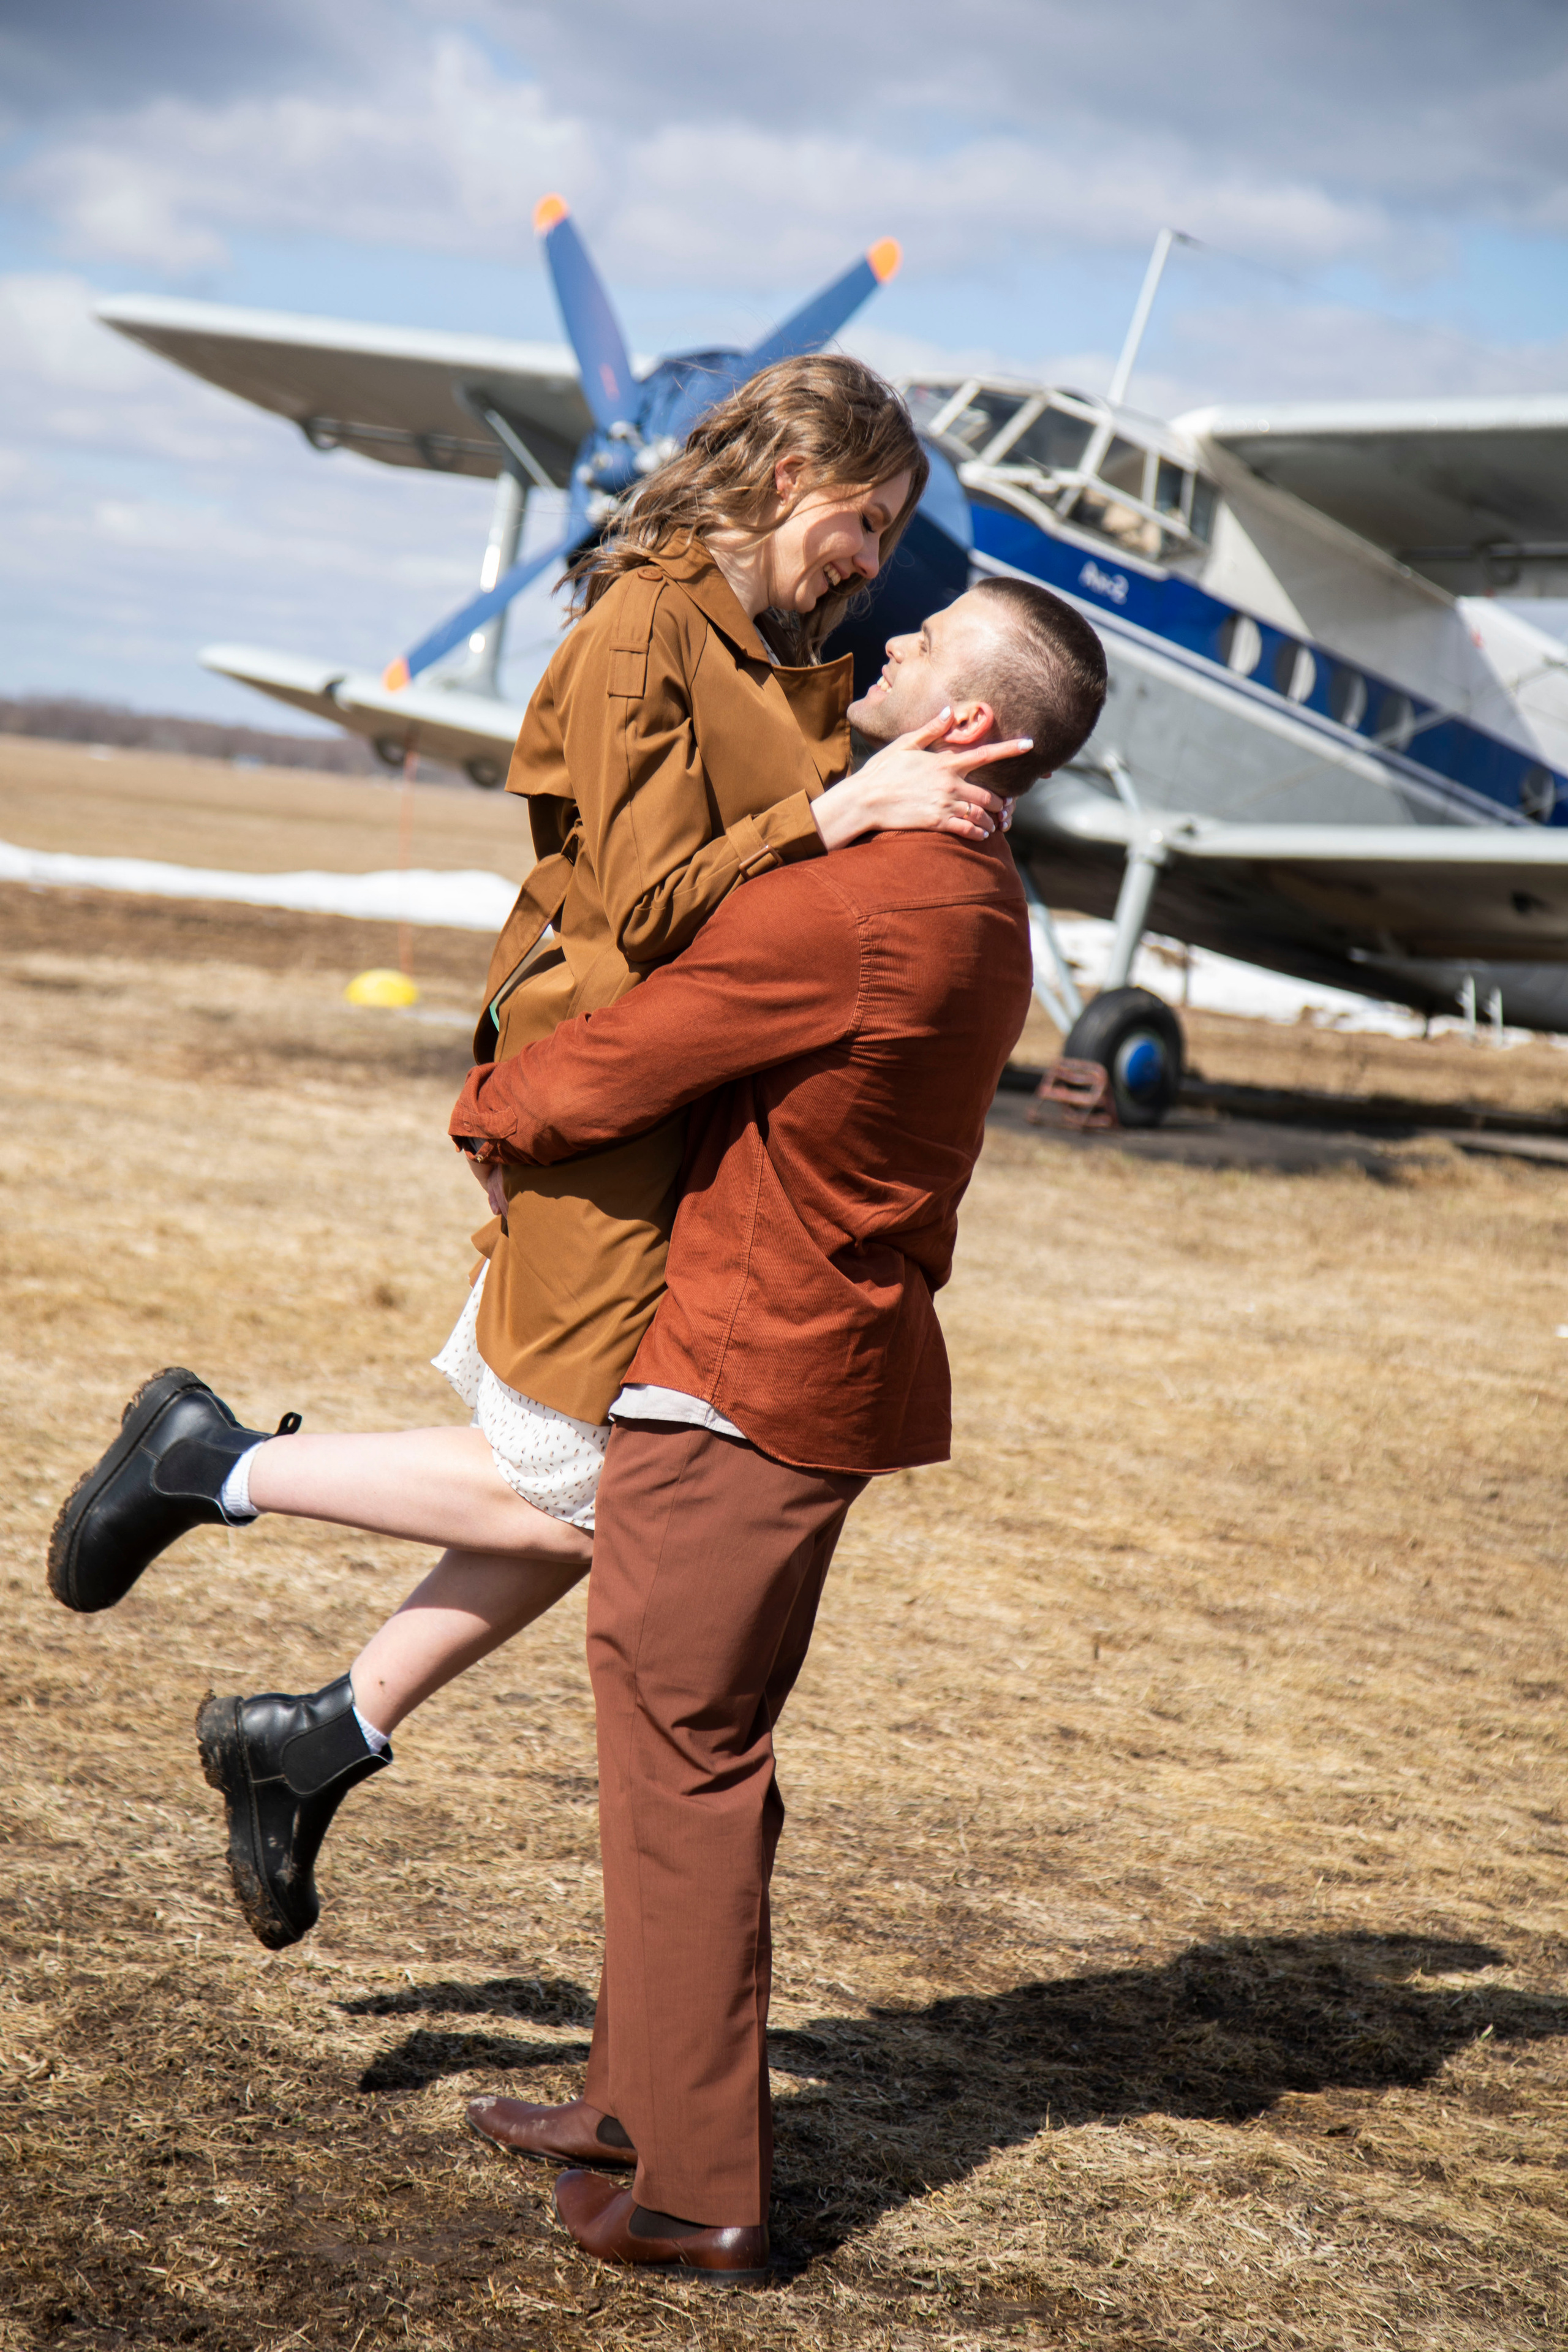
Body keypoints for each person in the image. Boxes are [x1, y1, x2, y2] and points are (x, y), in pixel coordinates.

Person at [45, 354, 1027, 1945]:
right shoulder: (641, 629)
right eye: (868, 517)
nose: (876, 556)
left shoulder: (768, 643)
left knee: (599, 1486)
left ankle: (315, 1737)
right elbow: (644, 902)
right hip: (599, 1106)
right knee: (597, 1495)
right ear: (788, 478)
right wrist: (835, 821)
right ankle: (213, 1467)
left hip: (666, 1126)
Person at [440, 584, 1107, 2282]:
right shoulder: (971, 890)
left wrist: (490, 1104)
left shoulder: (874, 903)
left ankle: (698, 2193)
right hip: (795, 1370)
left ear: (982, 731)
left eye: (927, 646)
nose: (886, 646)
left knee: (690, 1761)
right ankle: (627, 2106)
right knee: (669, 1742)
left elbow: (624, 1062)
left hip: (743, 1379)